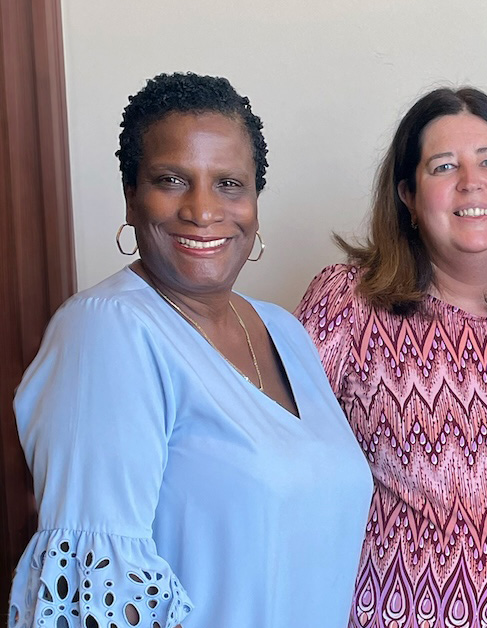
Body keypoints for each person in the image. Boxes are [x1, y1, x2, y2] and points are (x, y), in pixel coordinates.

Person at [7, 73, 372, 628]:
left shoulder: (285, 333)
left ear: (254, 203)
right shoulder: (108, 333)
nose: (202, 210)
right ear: (132, 196)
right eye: (172, 179)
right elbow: (96, 601)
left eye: (229, 184)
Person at [296, 87, 487, 628]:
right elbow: (277, 469)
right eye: (444, 166)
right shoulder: (347, 303)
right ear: (407, 195)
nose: (471, 182)